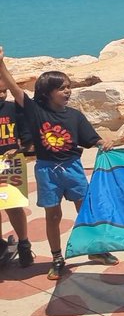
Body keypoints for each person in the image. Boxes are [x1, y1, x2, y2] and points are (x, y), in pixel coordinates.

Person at [0, 48, 117, 281]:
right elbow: (14, 88)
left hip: (73, 169)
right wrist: (1, 63)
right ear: (47, 93)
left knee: (85, 209)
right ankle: (57, 258)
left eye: (68, 87)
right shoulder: (35, 112)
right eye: (62, 88)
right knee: (53, 216)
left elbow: (92, 139)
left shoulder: (75, 116)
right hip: (47, 172)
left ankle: (95, 248)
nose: (68, 91)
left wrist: (104, 142)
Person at [0, 76, 33, 268]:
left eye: (4, 91)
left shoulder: (13, 109)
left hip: (10, 164)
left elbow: (26, 135)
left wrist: (20, 148)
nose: (2, 95)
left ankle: (24, 244)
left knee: (13, 206)